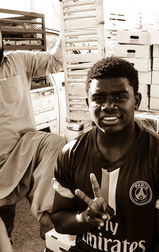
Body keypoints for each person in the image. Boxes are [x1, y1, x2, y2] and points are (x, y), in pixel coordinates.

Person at [50, 56, 159, 252]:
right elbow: (59, 220)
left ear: (137, 101)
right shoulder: (71, 153)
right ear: (87, 103)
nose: (108, 106)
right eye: (98, 98)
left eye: (120, 97)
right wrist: (85, 218)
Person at [0, 29, 66, 240]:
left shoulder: (19, 61)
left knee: (55, 142)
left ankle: (46, 216)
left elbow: (55, 61)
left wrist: (67, 27)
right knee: (3, 231)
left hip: (22, 152)